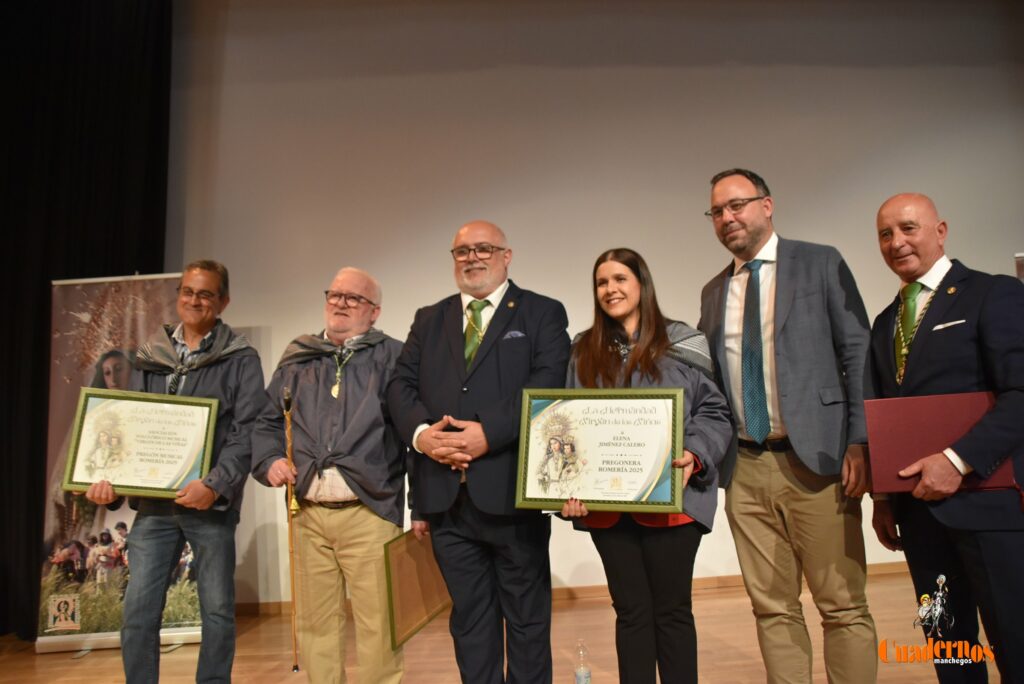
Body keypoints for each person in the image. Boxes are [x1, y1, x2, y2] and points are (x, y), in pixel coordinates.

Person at [697, 168, 877, 683]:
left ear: (767, 205)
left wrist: (860, 440)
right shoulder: (714, 291)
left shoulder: (820, 262)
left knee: (842, 605)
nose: (727, 218)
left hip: (817, 461)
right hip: (747, 468)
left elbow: (856, 352)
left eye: (738, 205)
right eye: (717, 211)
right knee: (772, 609)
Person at [387, 220, 570, 684]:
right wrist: (424, 435)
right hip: (447, 501)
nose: (472, 257)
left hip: (512, 497)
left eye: (483, 248)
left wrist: (490, 433)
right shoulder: (428, 319)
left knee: (526, 622)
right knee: (469, 622)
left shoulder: (542, 313)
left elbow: (547, 385)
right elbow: (400, 387)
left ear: (507, 256)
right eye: (461, 251)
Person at [85, 259, 266, 684]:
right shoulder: (150, 357)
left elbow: (248, 431)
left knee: (218, 612)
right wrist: (109, 486)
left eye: (205, 293)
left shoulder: (240, 358)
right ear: (179, 295)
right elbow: (129, 426)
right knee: (138, 612)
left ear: (223, 301)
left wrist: (215, 485)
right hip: (153, 508)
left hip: (210, 507)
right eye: (187, 291)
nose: (194, 300)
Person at [868, 193, 1024, 683]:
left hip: (987, 503)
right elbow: (887, 414)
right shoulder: (884, 322)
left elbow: (1020, 392)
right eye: (886, 234)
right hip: (918, 515)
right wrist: (885, 499)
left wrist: (957, 461)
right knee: (950, 649)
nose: (897, 242)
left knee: (1014, 639)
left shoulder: (992, 293)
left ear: (941, 230)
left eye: (909, 228)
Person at [560, 248, 732, 684]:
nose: (610, 289)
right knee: (630, 612)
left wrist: (695, 453)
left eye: (620, 279)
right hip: (608, 507)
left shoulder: (684, 340)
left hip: (673, 502)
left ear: (641, 284)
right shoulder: (583, 349)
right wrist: (568, 486)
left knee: (673, 611)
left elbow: (713, 412)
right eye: (602, 283)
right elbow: (571, 425)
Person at [251, 267, 405, 683]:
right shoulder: (299, 356)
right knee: (315, 624)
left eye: (353, 298)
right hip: (307, 513)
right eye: (334, 294)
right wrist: (269, 461)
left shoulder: (394, 356)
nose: (340, 303)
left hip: (370, 511)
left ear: (374, 312)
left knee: (380, 625)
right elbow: (266, 422)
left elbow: (414, 429)